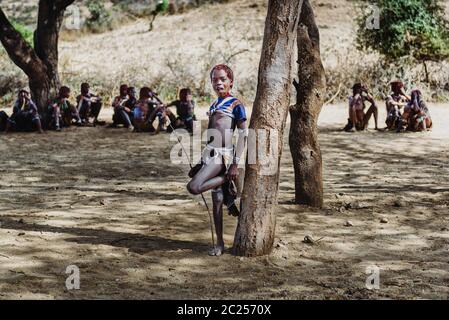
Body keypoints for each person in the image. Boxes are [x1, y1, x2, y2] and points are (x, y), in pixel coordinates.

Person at [186, 64, 248, 256]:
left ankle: (226, 178)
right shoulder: (214, 105)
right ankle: (220, 244)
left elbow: (244, 133)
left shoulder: (235, 104)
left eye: (223, 79)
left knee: (194, 187)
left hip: (223, 156)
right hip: (210, 154)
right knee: (217, 200)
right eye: (215, 79)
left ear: (231, 81)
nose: (218, 83)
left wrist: (235, 165)